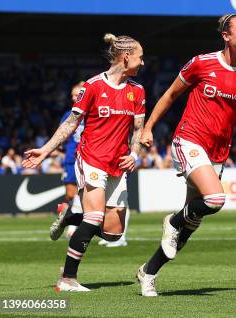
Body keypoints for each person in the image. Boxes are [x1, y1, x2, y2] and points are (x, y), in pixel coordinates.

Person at [136, 14, 236, 297]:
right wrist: (147, 128)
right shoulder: (201, 62)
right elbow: (171, 95)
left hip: (218, 153)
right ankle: (171, 221)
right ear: (226, 35)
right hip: (189, 140)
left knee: (189, 226)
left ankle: (148, 272)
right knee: (214, 199)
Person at [22, 33, 146, 291]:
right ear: (126, 58)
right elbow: (71, 123)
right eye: (140, 57)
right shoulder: (93, 87)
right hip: (91, 159)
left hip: (117, 164)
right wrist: (45, 150)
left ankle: (71, 216)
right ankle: (67, 279)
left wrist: (134, 154)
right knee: (94, 216)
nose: (142, 63)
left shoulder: (138, 91)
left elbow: (138, 130)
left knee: (113, 233)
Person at [57, 82, 85, 238]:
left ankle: (74, 226)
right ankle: (71, 219)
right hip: (70, 158)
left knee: (83, 192)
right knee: (70, 194)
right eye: (73, 95)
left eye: (77, 95)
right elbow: (61, 136)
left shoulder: (91, 114)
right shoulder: (68, 115)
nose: (74, 98)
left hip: (87, 158)